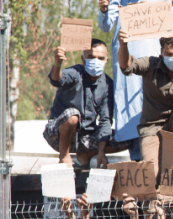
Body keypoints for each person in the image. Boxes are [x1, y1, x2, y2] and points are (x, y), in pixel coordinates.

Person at [98, 0, 173, 160]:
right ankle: (138, 162)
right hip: (128, 60)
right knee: (130, 108)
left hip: (155, 60)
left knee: (156, 106)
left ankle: (161, 160)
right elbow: (106, 27)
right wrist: (104, 9)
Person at [118, 29, 173, 172]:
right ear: (161, 52)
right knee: (152, 174)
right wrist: (123, 46)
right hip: (152, 128)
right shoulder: (150, 64)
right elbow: (127, 66)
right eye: (169, 54)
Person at [44, 39, 127, 168]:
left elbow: (105, 120)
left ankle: (86, 154)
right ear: (83, 59)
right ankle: (64, 156)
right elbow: (56, 79)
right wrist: (57, 63)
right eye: (91, 57)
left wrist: (101, 152)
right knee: (73, 115)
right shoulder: (75, 73)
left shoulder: (108, 84)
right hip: (58, 136)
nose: (96, 61)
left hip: (85, 138)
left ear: (106, 60)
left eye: (100, 58)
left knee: (127, 137)